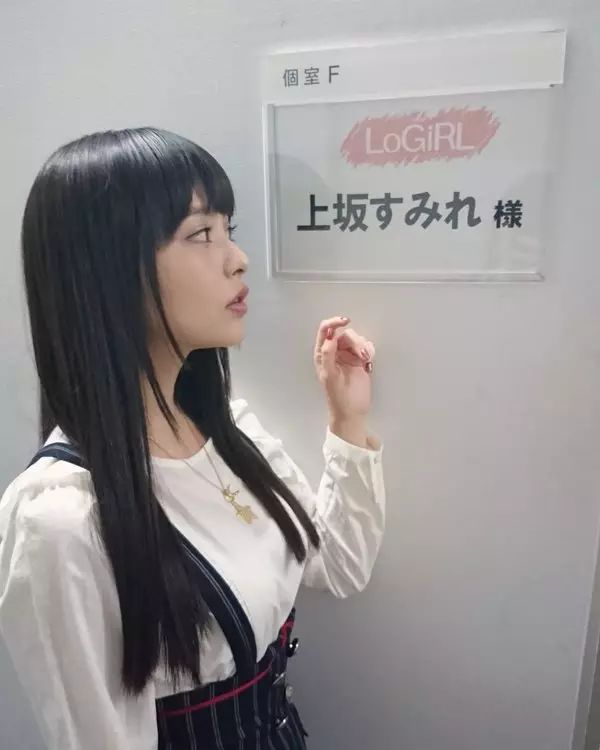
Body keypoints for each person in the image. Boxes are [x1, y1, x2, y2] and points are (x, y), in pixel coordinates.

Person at [0, 128, 385, 749]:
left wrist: (347, 419)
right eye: (201, 234)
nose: (238, 259)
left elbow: (338, 565)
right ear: (107, 268)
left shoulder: (229, 428)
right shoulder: (61, 520)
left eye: (229, 230)